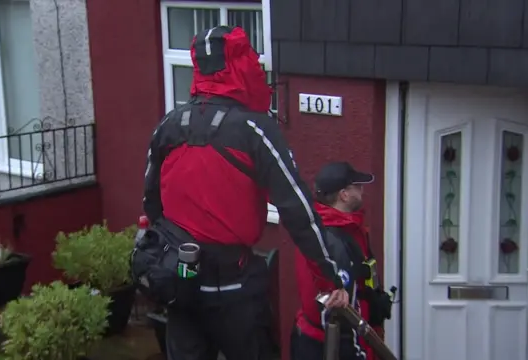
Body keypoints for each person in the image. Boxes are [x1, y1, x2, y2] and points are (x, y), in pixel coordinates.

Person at [142, 26, 348, 360]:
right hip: (234, 290)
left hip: (182, 281)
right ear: (242, 67)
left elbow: (150, 203)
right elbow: (297, 209)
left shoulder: (169, 125)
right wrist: (329, 275)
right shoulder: (255, 129)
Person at [292, 161, 381, 360]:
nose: (362, 191)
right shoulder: (328, 239)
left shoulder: (346, 228)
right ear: (344, 194)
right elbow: (336, 312)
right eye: (357, 186)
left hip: (341, 337)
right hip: (332, 344)